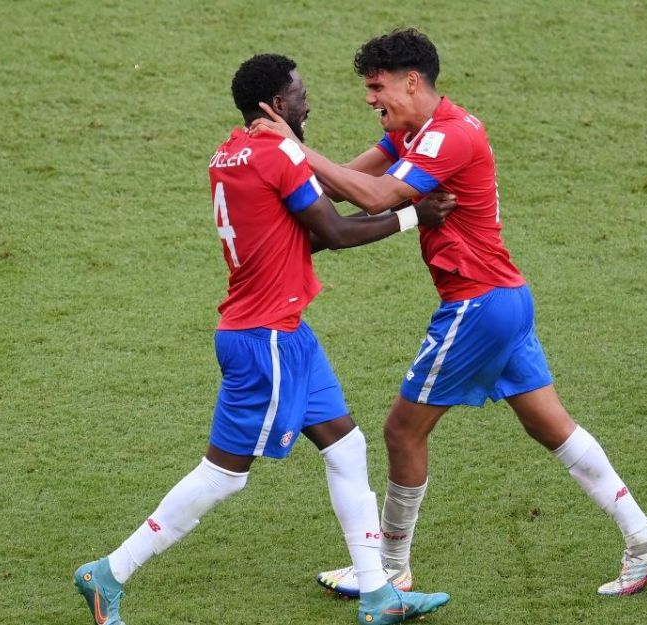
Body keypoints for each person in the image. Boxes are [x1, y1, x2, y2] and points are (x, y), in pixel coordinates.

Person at [250, 28, 647, 599]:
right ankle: (645, 538)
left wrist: (292, 148)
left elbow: (375, 198)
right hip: (506, 300)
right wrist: (292, 170)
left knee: (401, 431)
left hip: (476, 306)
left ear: (412, 81)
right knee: (550, 425)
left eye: (377, 87)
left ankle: (390, 567)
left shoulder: (446, 138)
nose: (370, 98)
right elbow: (344, 192)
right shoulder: (414, 134)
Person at [72, 53, 454, 625]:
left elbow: (304, 237)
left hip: (285, 332)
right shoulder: (277, 153)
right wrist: (413, 217)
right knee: (223, 475)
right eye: (298, 93)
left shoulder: (229, 153)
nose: (307, 102)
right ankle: (109, 572)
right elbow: (334, 232)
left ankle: (378, 595)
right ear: (273, 106)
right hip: (264, 338)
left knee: (346, 449)